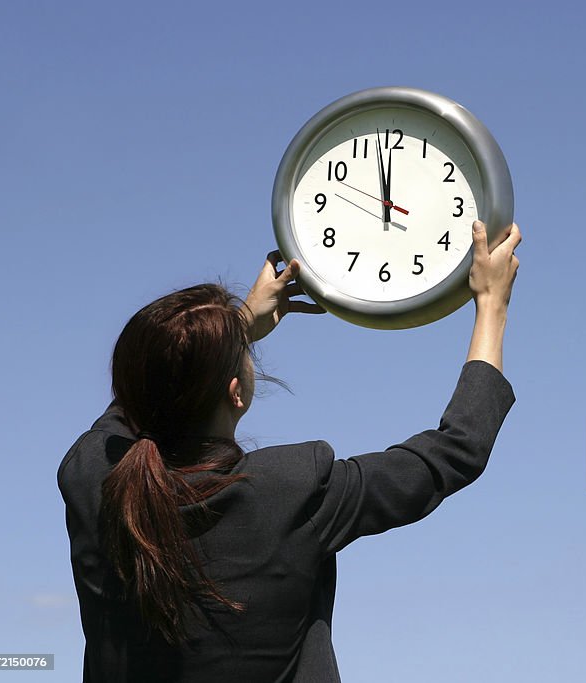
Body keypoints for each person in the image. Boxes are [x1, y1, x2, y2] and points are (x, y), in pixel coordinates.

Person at [57, 220, 521, 682]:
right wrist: (491, 306)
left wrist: (229, 330)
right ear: (236, 393)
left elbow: (144, 388)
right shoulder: (292, 494)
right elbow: (455, 450)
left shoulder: (91, 480)